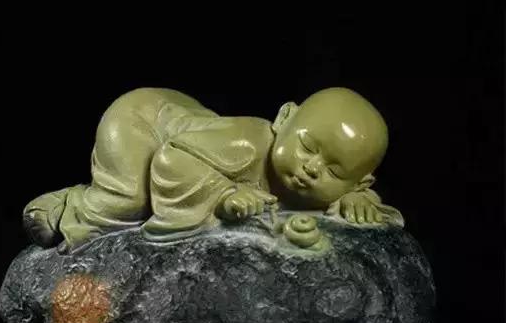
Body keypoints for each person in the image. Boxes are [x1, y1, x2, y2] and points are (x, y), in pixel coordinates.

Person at [23, 87, 402, 252]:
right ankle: (63, 205)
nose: (312, 168)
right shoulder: (247, 145)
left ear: (360, 181)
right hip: (144, 123)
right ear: (285, 118)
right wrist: (223, 192)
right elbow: (171, 158)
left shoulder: (343, 189)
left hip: (193, 131)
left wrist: (358, 201)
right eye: (307, 147)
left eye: (335, 171)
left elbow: (348, 202)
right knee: (127, 202)